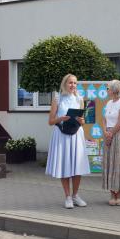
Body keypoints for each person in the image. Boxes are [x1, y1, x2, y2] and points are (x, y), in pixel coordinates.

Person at [45, 74, 90, 209]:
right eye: (70, 83)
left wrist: (82, 121)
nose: (73, 86)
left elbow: (82, 121)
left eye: (75, 83)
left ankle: (75, 195)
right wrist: (61, 119)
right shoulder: (57, 98)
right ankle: (68, 197)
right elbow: (50, 121)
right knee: (65, 166)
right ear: (65, 84)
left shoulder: (80, 99)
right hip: (62, 135)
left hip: (76, 134)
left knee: (77, 166)